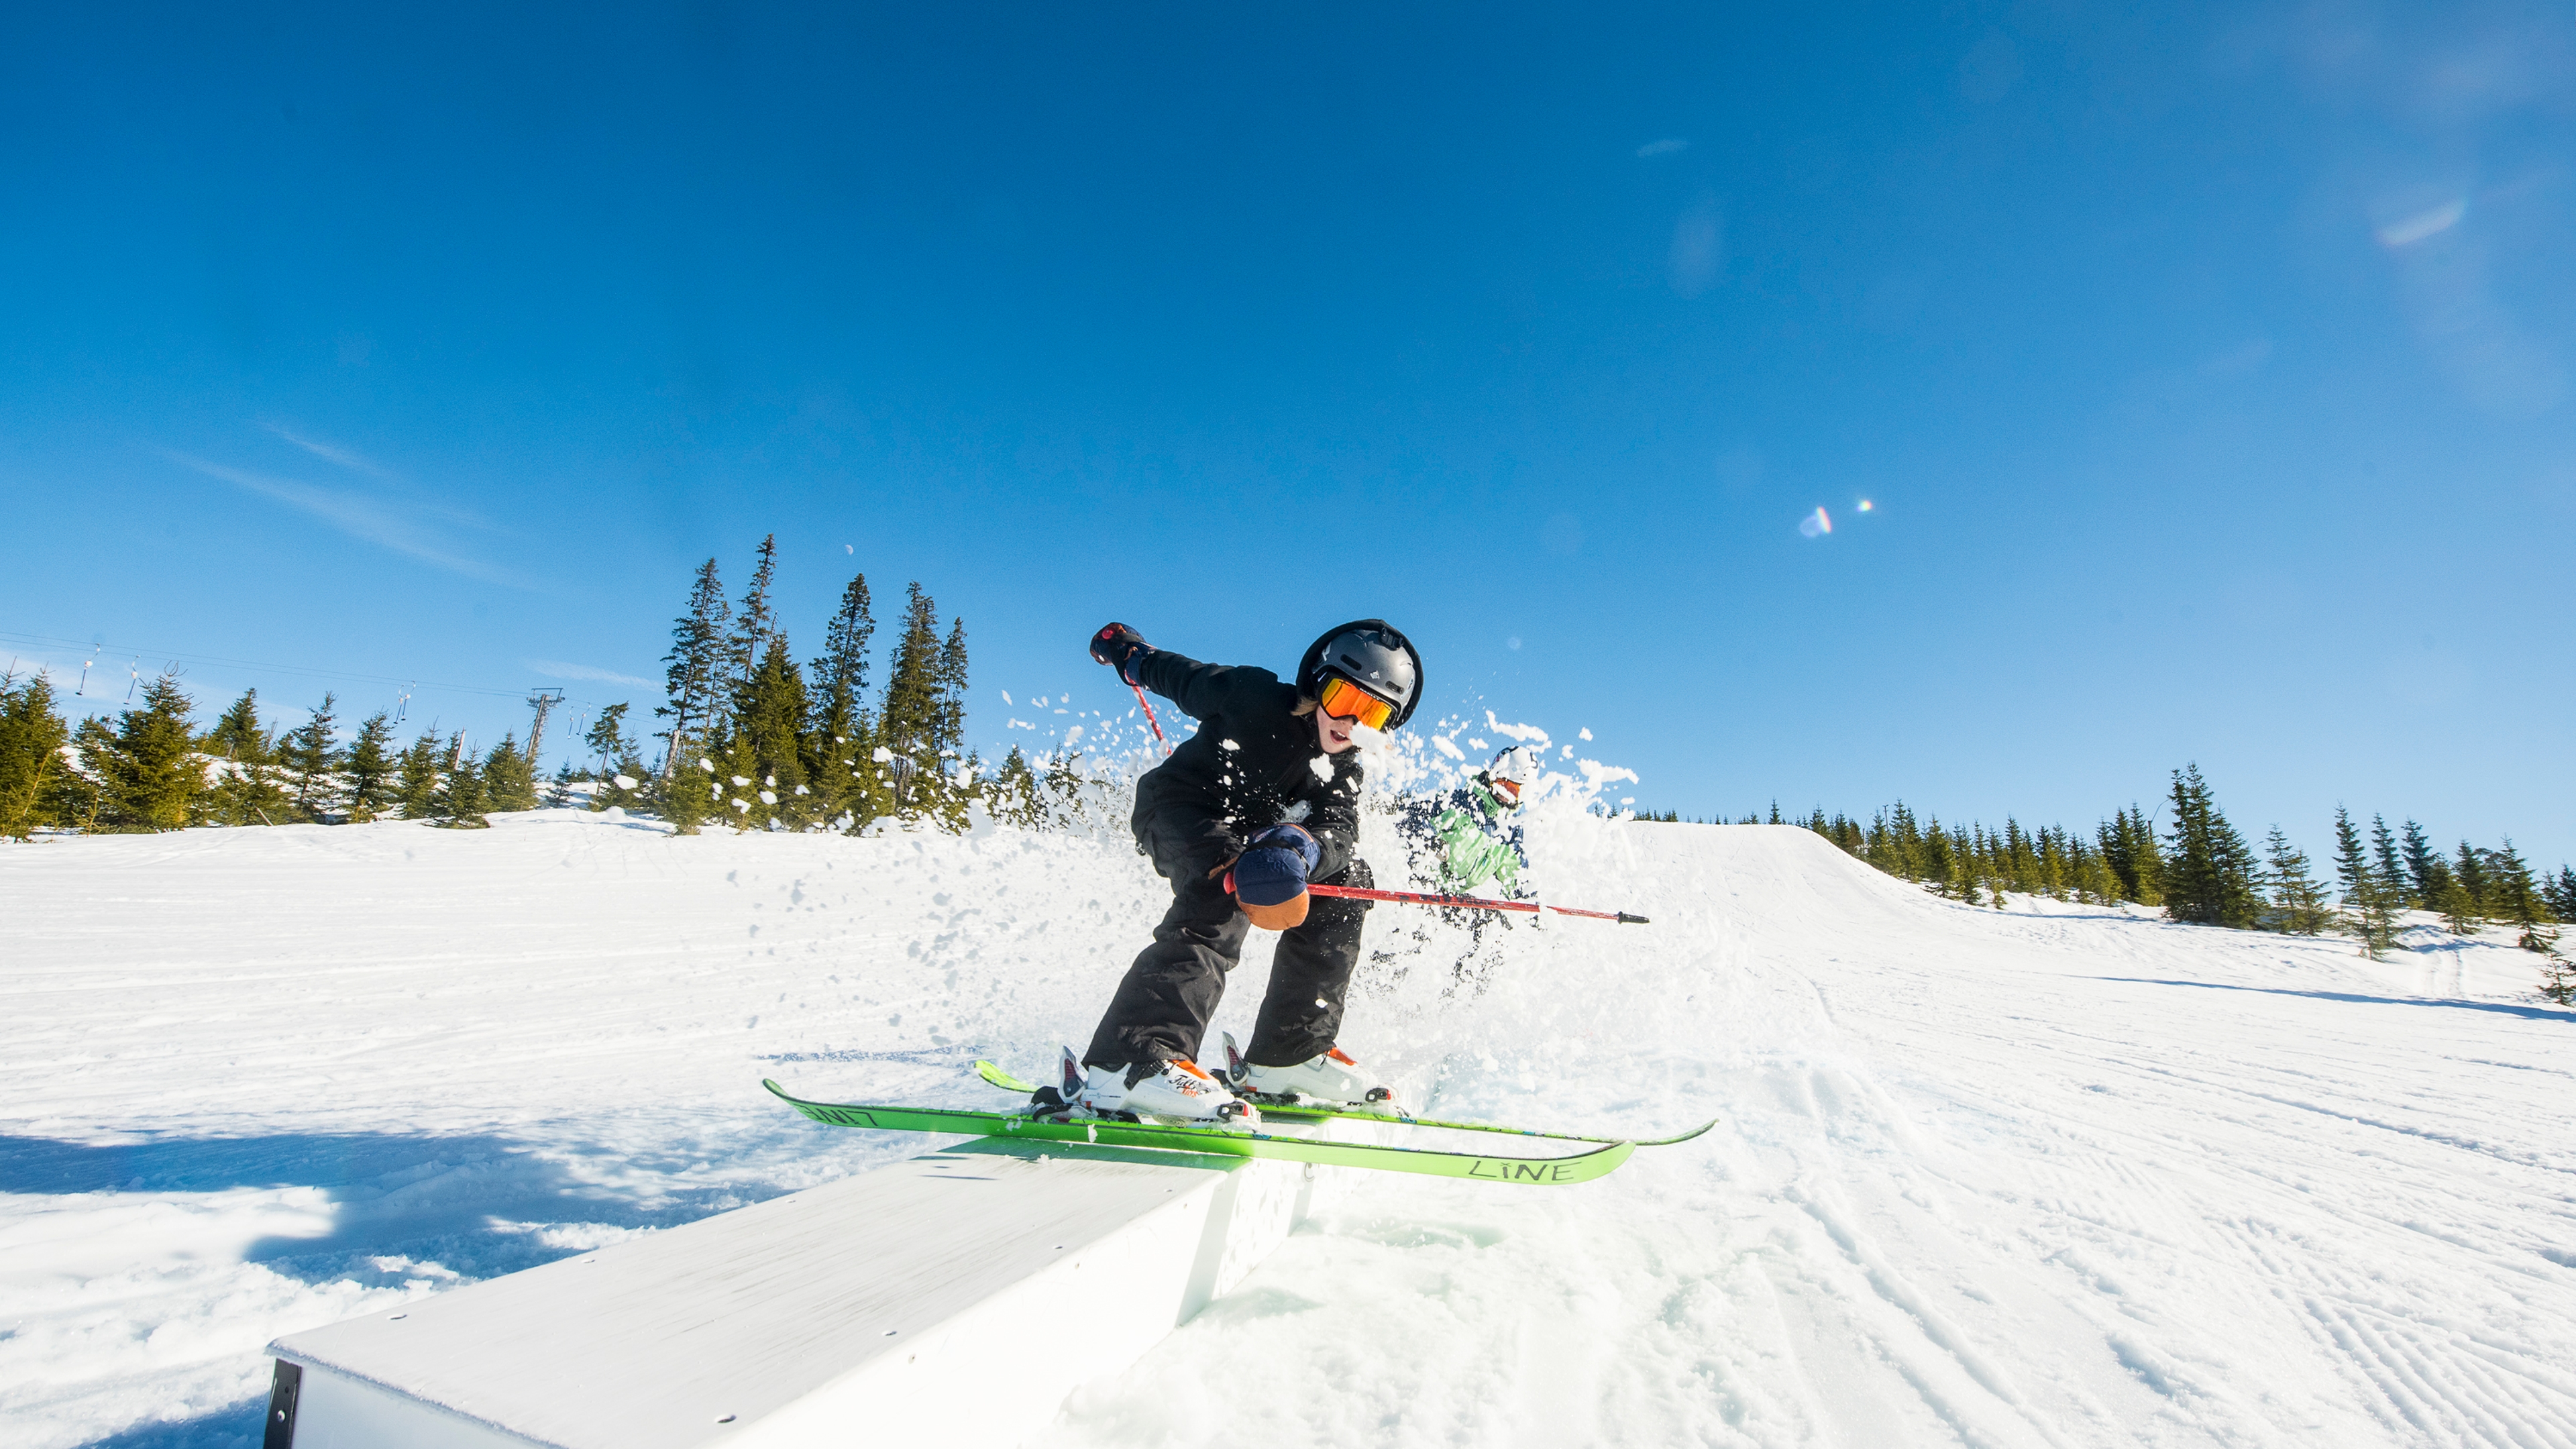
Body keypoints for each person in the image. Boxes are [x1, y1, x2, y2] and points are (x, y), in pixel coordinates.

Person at [1071, 619, 1424, 1122]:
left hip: (1259, 840)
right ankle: (1134, 1058)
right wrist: (1131, 655)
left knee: (1348, 882)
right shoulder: (1252, 695)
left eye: (1372, 713)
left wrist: (1303, 849)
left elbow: (1340, 832)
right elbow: (1180, 676)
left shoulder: (1345, 767)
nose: (1350, 722)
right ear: (1317, 684)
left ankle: (1289, 1053)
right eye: (1344, 698)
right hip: (1179, 808)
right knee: (1230, 881)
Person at [1400, 746, 1539, 980]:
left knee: (1492, 928)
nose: (1506, 793)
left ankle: (1461, 998)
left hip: (1453, 895)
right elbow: (1412, 816)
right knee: (1419, 926)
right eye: (1503, 783)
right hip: (1424, 884)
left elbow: (1517, 878)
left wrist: (1537, 910)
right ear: (1494, 774)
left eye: (1514, 790)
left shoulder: (1509, 832)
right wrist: (1429, 841)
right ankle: (1384, 979)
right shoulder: (1463, 803)